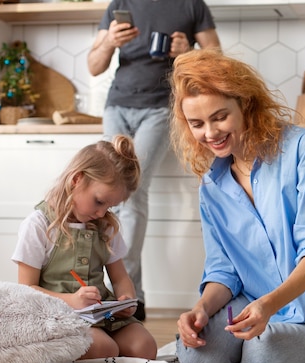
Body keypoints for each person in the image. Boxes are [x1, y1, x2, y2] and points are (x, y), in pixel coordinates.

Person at [170, 49, 305, 363]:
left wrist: (269, 305)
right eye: (197, 123)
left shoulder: (303, 148)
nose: (210, 133)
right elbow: (223, 271)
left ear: (245, 104)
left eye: (219, 117)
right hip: (250, 305)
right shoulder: (211, 185)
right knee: (195, 355)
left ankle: (280, 348)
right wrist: (201, 309)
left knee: (262, 353)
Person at [87, 0, 221, 320]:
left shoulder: (191, 5)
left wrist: (188, 52)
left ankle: (126, 294)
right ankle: (125, 293)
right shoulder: (119, 4)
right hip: (117, 106)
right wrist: (109, 42)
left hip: (162, 107)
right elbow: (94, 66)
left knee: (130, 191)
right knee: (109, 193)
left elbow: (217, 61)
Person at [12, 135, 158, 360]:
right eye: (99, 201)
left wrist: (126, 298)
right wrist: (72, 301)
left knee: (144, 348)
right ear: (77, 179)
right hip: (58, 315)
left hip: (102, 314)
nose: (102, 213)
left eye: (111, 206)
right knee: (105, 350)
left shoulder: (106, 226)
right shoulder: (39, 225)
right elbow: (26, 290)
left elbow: (119, 278)